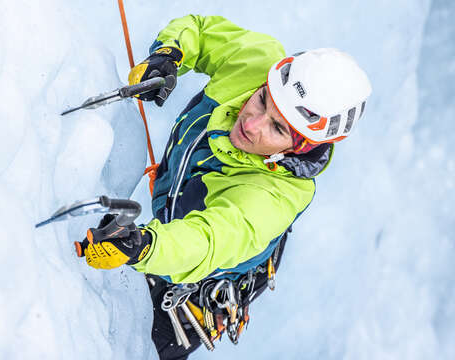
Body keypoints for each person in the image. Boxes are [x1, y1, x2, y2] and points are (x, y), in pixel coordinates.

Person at [78, 15, 372, 359]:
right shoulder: (257, 59)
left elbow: (207, 241)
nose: (251, 121)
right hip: (177, 212)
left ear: (298, 148)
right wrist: (169, 54)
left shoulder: (272, 199)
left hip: (193, 293)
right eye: (263, 99)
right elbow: (200, 31)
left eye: (276, 128)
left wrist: (144, 246)